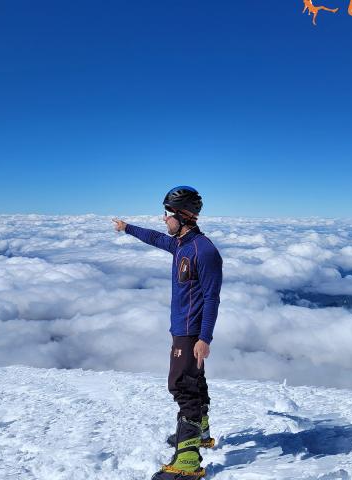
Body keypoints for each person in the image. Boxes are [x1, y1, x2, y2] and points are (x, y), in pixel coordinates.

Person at [112, 186, 223, 479]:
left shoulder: (205, 250)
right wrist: (127, 228)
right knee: (195, 381)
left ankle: (187, 461)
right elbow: (156, 238)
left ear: (182, 216)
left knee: (181, 385)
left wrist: (204, 338)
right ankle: (199, 434)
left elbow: (212, 297)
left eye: (166, 214)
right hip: (182, 329)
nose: (163, 219)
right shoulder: (181, 244)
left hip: (190, 332)